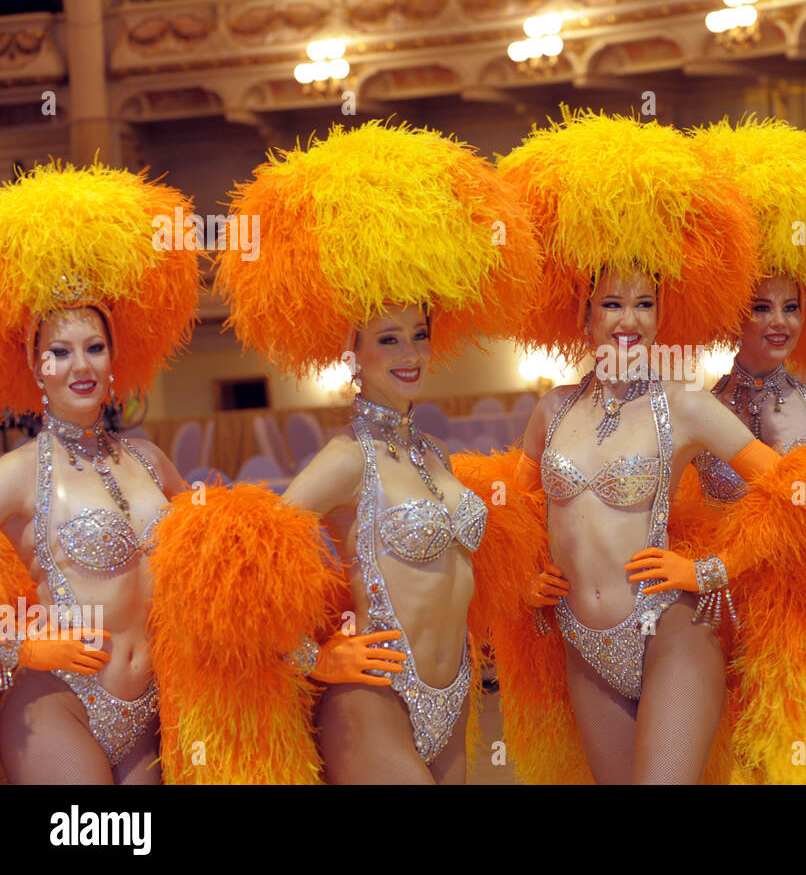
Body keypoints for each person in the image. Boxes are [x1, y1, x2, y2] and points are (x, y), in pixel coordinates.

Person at [480, 111, 806, 784]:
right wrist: (525, 576)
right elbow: (513, 509)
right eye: (612, 303)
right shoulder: (551, 409)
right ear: (582, 314)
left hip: (671, 634)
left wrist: (713, 571)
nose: (629, 320)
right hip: (583, 646)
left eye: (645, 303)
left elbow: (801, 490)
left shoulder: (688, 406)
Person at [150, 120, 543, 784]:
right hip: (372, 700)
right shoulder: (346, 458)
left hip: (455, 698)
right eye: (389, 340)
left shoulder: (434, 458)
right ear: (352, 351)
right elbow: (240, 569)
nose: (411, 354)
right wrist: (311, 657)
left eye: (418, 335)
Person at [0, 163, 199, 784]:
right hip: (56, 704)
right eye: (58, 351)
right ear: (36, 368)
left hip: (149, 715)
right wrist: (16, 646)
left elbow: (220, 561)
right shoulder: (16, 473)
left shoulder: (150, 460)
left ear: (115, 359)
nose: (79, 365)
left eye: (94, 346)